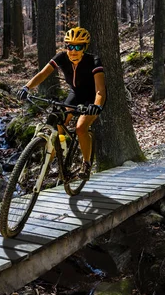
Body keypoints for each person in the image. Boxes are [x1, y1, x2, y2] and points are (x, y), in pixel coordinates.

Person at [16, 27, 106, 180]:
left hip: (93, 98)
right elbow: (43, 74)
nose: (73, 50)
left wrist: (96, 106)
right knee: (58, 121)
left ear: (84, 48)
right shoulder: (62, 57)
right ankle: (60, 151)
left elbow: (100, 91)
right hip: (75, 94)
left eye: (78, 46)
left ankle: (86, 163)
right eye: (70, 46)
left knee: (80, 128)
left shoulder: (93, 61)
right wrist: (27, 87)